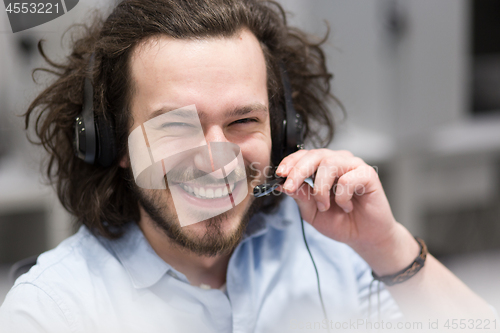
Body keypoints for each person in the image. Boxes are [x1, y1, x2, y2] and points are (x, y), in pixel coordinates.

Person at [0, 0, 496, 332]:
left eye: (241, 120)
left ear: (282, 133)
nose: (216, 157)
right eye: (176, 125)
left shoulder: (331, 254)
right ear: (116, 143)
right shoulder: (53, 311)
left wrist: (386, 246)